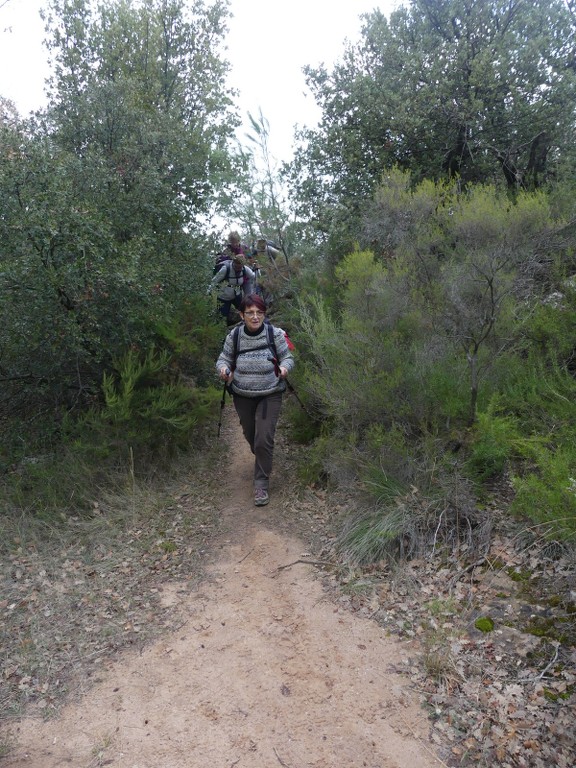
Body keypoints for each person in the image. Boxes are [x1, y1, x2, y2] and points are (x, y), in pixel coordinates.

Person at [216, 294, 295, 506]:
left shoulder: (274, 334)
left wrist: (285, 368)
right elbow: (224, 358)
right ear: (241, 315)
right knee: (251, 435)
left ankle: (261, 484)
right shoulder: (235, 336)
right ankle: (263, 456)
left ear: (264, 314)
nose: (255, 317)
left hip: (270, 392)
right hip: (242, 394)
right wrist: (223, 369)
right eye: (250, 313)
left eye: (259, 313)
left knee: (263, 438)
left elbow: (287, 357)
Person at [208, 255, 255, 322]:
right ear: (233, 263)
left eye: (240, 267)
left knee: (245, 310)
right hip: (223, 297)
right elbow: (214, 281)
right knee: (222, 317)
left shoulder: (244, 269)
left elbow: (252, 276)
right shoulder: (226, 269)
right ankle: (222, 330)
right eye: (237, 267)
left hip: (237, 295)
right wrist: (208, 291)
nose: (238, 269)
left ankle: (248, 324)